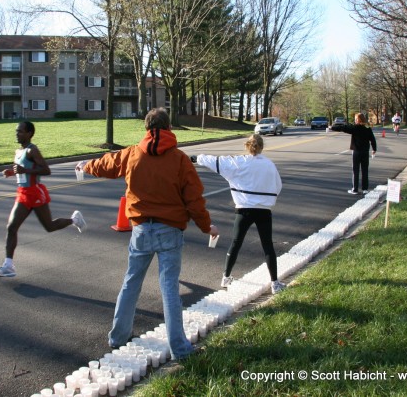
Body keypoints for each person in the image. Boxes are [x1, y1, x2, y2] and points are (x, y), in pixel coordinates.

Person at [74, 108, 219, 360]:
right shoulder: (180, 160)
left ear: (146, 127)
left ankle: (118, 337)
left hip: (140, 230)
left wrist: (86, 165)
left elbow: (107, 164)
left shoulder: (132, 153)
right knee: (169, 288)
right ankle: (180, 350)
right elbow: (194, 201)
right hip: (170, 231)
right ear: (169, 128)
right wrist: (207, 227)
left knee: (131, 283)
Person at [0, 121, 86, 278]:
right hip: (23, 193)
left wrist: (24, 170)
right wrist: (11, 172)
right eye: (16, 131)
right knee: (11, 227)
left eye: (21, 131)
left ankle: (74, 220)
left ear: (29, 133)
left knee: (49, 226)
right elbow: (21, 170)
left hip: (35, 192)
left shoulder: (32, 150)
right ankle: (8, 265)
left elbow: (46, 170)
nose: (17, 134)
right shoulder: (19, 151)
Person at [193, 134, 286, 294]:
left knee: (236, 243)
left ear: (247, 146)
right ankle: (275, 283)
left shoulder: (237, 162)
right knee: (268, 246)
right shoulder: (269, 165)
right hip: (264, 210)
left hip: (244, 209)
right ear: (262, 147)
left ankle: (226, 277)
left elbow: (215, 161)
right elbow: (278, 186)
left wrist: (196, 158)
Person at [331, 112, 377, 195]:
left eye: (356, 119)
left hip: (356, 151)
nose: (355, 121)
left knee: (355, 171)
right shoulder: (367, 128)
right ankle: (365, 189)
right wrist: (374, 149)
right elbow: (372, 139)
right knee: (365, 170)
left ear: (358, 120)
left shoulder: (355, 128)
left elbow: (343, 128)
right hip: (365, 151)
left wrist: (332, 127)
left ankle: (355, 189)